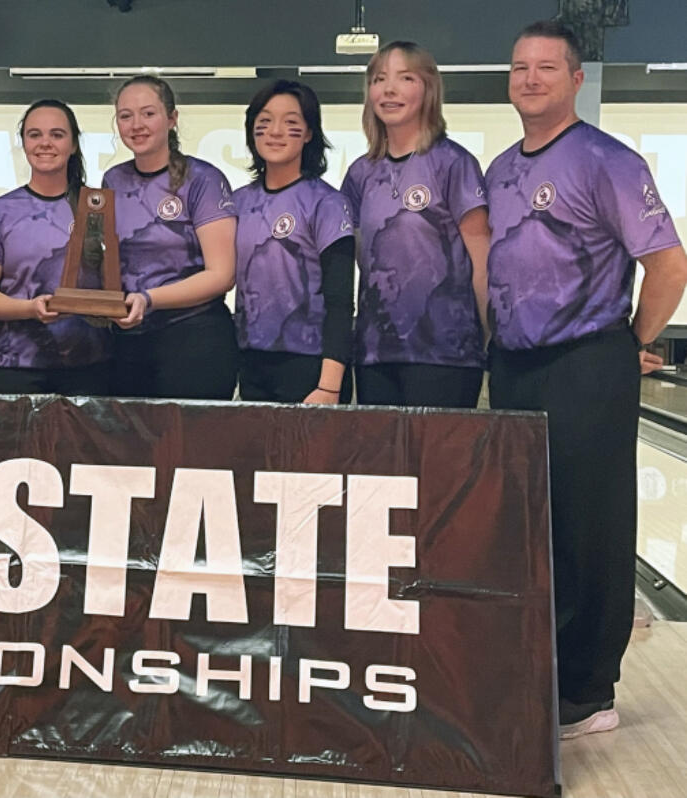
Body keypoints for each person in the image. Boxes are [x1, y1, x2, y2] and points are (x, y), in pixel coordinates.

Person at [486, 20, 687, 738]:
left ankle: (589, 692)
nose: (530, 79)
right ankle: (543, 666)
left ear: (575, 79)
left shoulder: (607, 159)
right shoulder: (502, 167)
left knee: (589, 525)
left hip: (585, 359)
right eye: (519, 68)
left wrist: (626, 341)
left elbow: (668, 262)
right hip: (514, 362)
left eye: (546, 67)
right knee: (532, 521)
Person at [341, 41, 490, 408]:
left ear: (428, 89)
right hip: (377, 352)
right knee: (382, 466)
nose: (388, 89)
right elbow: (365, 260)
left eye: (404, 77)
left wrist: (493, 341)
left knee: (440, 466)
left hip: (445, 353)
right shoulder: (361, 173)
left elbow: (483, 264)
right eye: (379, 79)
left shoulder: (453, 163)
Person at [103, 76, 238, 400]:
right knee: (127, 450)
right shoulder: (112, 179)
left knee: (190, 449)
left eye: (148, 113)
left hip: (194, 338)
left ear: (172, 118)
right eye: (125, 115)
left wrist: (149, 299)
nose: (136, 124)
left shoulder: (203, 179)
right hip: (129, 340)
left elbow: (222, 275)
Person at [0, 100, 111, 395]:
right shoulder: (0, 211)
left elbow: (113, 283)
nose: (45, 143)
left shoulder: (96, 206)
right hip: (19, 364)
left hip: (91, 364)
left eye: (57, 135)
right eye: (35, 134)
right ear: (23, 143)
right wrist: (30, 308)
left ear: (73, 145)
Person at [233, 80, 354, 404]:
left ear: (310, 133)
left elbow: (341, 301)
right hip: (252, 364)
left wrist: (330, 385)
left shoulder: (327, 203)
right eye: (265, 122)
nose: (275, 132)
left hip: (311, 367)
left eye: (291, 123)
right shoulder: (238, 203)